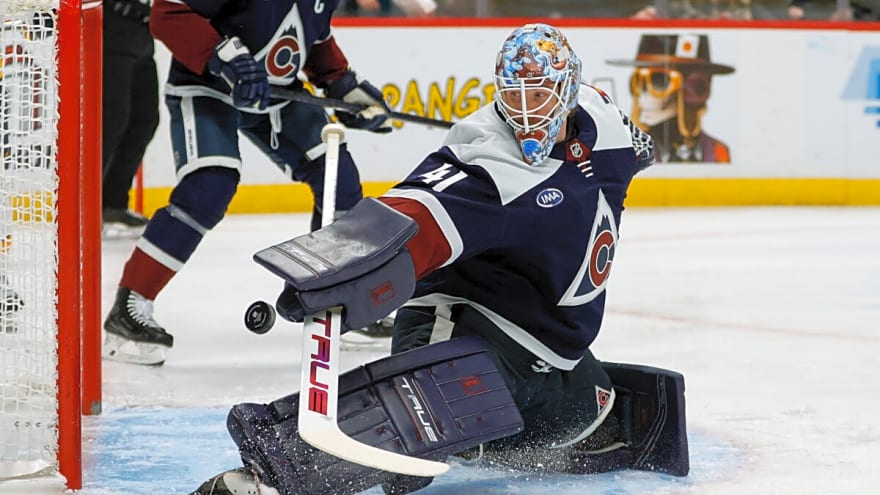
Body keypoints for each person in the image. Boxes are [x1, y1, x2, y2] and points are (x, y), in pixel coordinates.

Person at [189, 23, 688, 495]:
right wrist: (337, 264)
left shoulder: (605, 121)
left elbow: (632, 146)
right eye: (512, 96)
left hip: (553, 349)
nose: (526, 112)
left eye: (537, 96)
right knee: (413, 425)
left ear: (570, 89)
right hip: (466, 329)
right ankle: (266, 478)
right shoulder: (487, 161)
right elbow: (411, 216)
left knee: (592, 419)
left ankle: (484, 435)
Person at [102, 0, 392, 366]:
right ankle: (129, 308)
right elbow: (169, 12)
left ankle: (335, 304)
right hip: (207, 85)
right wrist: (224, 57)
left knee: (338, 180)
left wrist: (342, 84)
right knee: (208, 186)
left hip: (275, 94)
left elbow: (314, 36)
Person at [607, 33, 735, 163]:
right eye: (637, 81)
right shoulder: (632, 150)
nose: (642, 96)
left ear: (695, 89)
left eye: (658, 81)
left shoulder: (717, 152)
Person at [101, 0, 158, 231]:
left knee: (145, 119)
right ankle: (85, 206)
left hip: (143, 29)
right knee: (111, 120)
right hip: (111, 25)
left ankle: (113, 202)